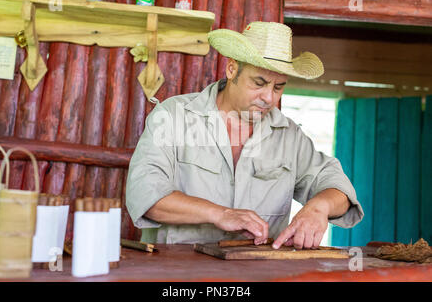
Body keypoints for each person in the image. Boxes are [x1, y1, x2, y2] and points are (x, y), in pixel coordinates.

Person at [126, 22, 363, 249]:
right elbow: (146, 195)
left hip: (259, 275)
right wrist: (220, 214)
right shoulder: (173, 116)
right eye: (259, 83)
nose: (269, 97)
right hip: (178, 274)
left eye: (278, 86)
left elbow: (339, 189)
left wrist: (319, 207)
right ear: (232, 70)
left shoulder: (290, 136)